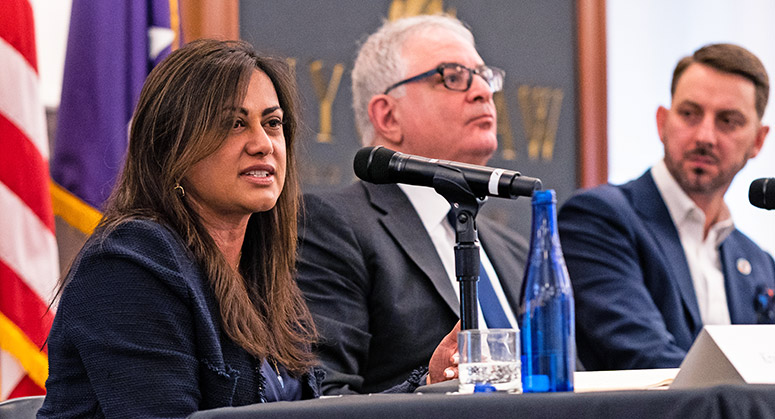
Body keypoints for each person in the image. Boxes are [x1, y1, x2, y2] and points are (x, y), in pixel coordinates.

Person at [38, 39, 456, 418]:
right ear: (172, 145)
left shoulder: (261, 271)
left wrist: (426, 386)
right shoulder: (130, 263)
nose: (263, 143)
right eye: (234, 124)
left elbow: (311, 414)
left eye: (272, 123)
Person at [296, 14, 529, 394]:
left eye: (484, 77)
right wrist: (428, 386)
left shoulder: (513, 249)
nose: (483, 92)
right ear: (388, 115)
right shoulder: (331, 227)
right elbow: (325, 395)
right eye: (453, 77)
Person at [558, 43, 775, 371]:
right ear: (662, 122)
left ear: (758, 141)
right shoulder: (597, 218)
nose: (705, 135)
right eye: (689, 114)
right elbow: (648, 361)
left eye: (728, 121)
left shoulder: (757, 261)